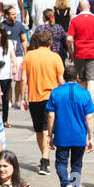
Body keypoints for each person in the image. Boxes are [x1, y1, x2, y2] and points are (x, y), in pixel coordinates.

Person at [45, 70, 94, 187]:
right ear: (77, 77)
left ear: (63, 77)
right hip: (79, 135)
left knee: (61, 163)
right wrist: (91, 137)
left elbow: (50, 116)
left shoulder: (56, 92)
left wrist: (49, 135)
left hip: (62, 135)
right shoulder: (85, 93)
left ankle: (66, 183)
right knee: (76, 165)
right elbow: (89, 117)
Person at [22, 27, 64, 174]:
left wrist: (22, 97)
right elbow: (60, 80)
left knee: (39, 130)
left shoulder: (29, 56)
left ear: (38, 41)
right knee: (46, 129)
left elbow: (23, 78)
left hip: (34, 97)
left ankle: (44, 157)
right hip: (50, 98)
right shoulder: (55, 57)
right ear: (51, 42)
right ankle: (45, 160)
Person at [66, 0, 94, 97]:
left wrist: (71, 52)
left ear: (79, 8)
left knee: (80, 78)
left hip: (79, 53)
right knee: (91, 79)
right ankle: (90, 102)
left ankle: (81, 100)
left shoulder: (75, 20)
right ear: (89, 6)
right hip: (93, 53)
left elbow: (69, 38)